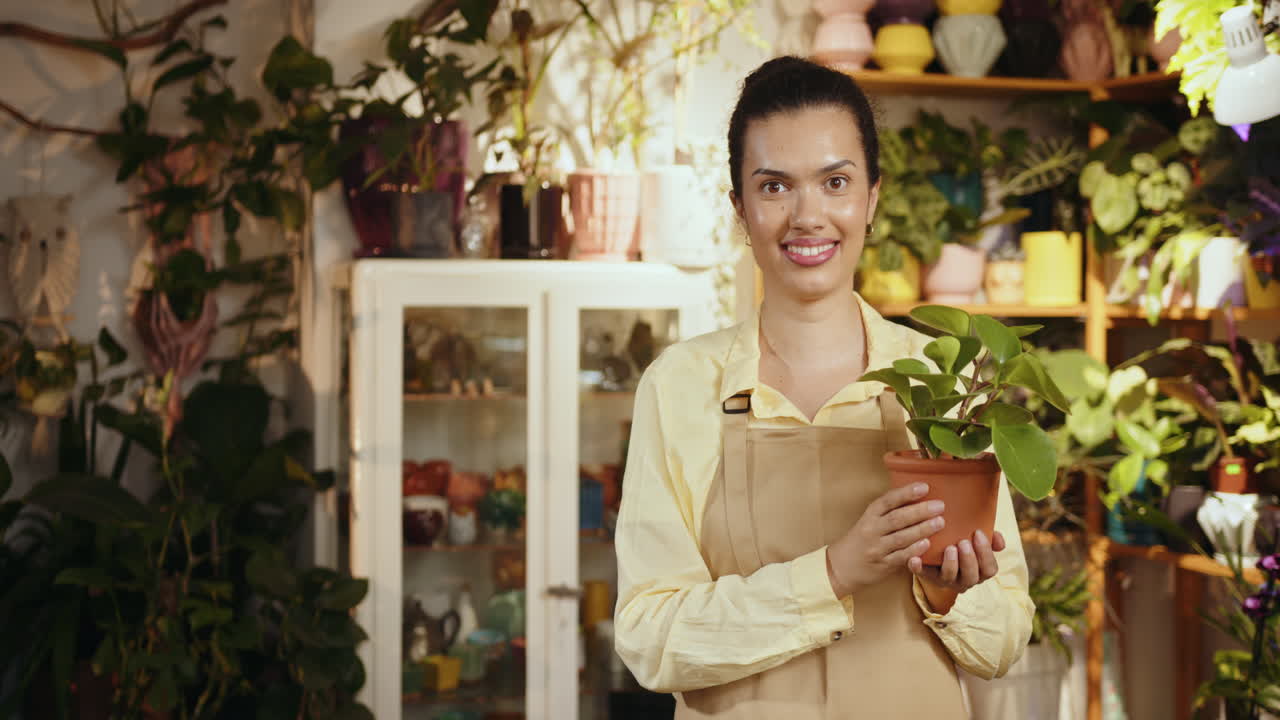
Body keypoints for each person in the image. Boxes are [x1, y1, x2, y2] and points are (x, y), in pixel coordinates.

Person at [612, 56, 1034, 718]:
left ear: (871, 199)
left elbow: (1006, 639)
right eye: (775, 187)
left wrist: (949, 592)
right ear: (740, 209)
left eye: (835, 181)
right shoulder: (681, 386)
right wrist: (832, 573)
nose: (808, 216)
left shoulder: (943, 380)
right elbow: (649, 638)